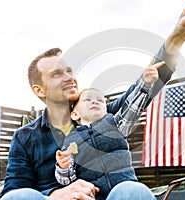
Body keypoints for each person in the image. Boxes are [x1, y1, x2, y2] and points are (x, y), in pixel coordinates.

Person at [1, 0, 185, 199]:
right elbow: (14, 191)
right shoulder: (25, 137)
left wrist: (176, 39)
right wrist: (55, 194)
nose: (70, 78)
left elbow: (146, 86)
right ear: (39, 90)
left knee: (131, 191)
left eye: (69, 71)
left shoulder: (99, 115)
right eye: (57, 74)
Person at [55, 61, 163, 200]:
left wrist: (145, 84)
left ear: (106, 110)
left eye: (100, 100)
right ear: (75, 114)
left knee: (135, 190)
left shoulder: (115, 124)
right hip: (94, 196)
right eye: (88, 100)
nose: (95, 102)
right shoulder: (70, 140)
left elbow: (132, 109)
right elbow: (67, 181)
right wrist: (64, 167)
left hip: (125, 192)